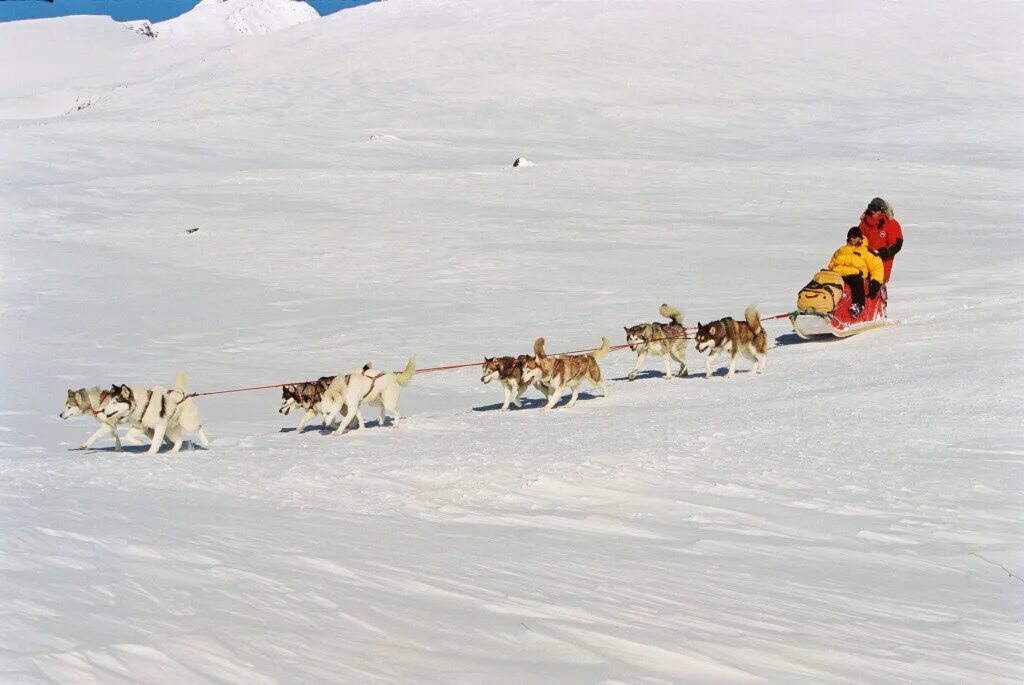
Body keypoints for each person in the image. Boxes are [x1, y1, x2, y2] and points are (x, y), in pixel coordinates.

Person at [828, 227, 883, 317]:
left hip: (854, 275)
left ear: (859, 238)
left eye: (853, 237)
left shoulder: (867, 251)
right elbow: (831, 264)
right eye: (849, 237)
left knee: (856, 281)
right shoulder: (841, 250)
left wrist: (876, 282)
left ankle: (858, 305)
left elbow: (877, 267)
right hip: (838, 274)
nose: (851, 239)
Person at [858, 197, 903, 283]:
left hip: (881, 264)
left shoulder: (892, 224)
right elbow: (857, 240)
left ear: (883, 211)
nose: (872, 211)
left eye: (875, 209)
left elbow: (896, 245)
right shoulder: (865, 222)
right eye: (871, 208)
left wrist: (880, 253)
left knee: (873, 289)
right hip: (863, 264)